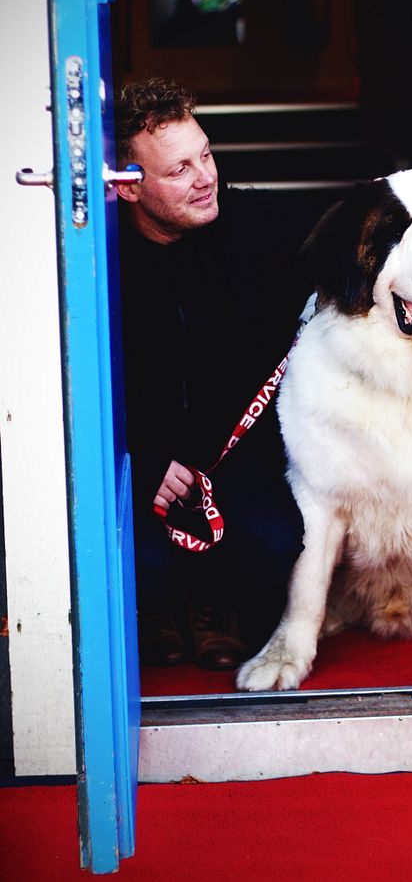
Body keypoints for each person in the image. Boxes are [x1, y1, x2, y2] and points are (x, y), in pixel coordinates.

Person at [114, 77, 309, 670]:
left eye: (206, 155)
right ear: (127, 187)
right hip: (143, 461)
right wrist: (141, 457)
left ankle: (216, 602)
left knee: (276, 543)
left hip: (238, 455)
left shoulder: (257, 224)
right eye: (179, 170)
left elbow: (358, 223)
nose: (205, 177)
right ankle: (164, 606)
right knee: (139, 562)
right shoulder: (96, 262)